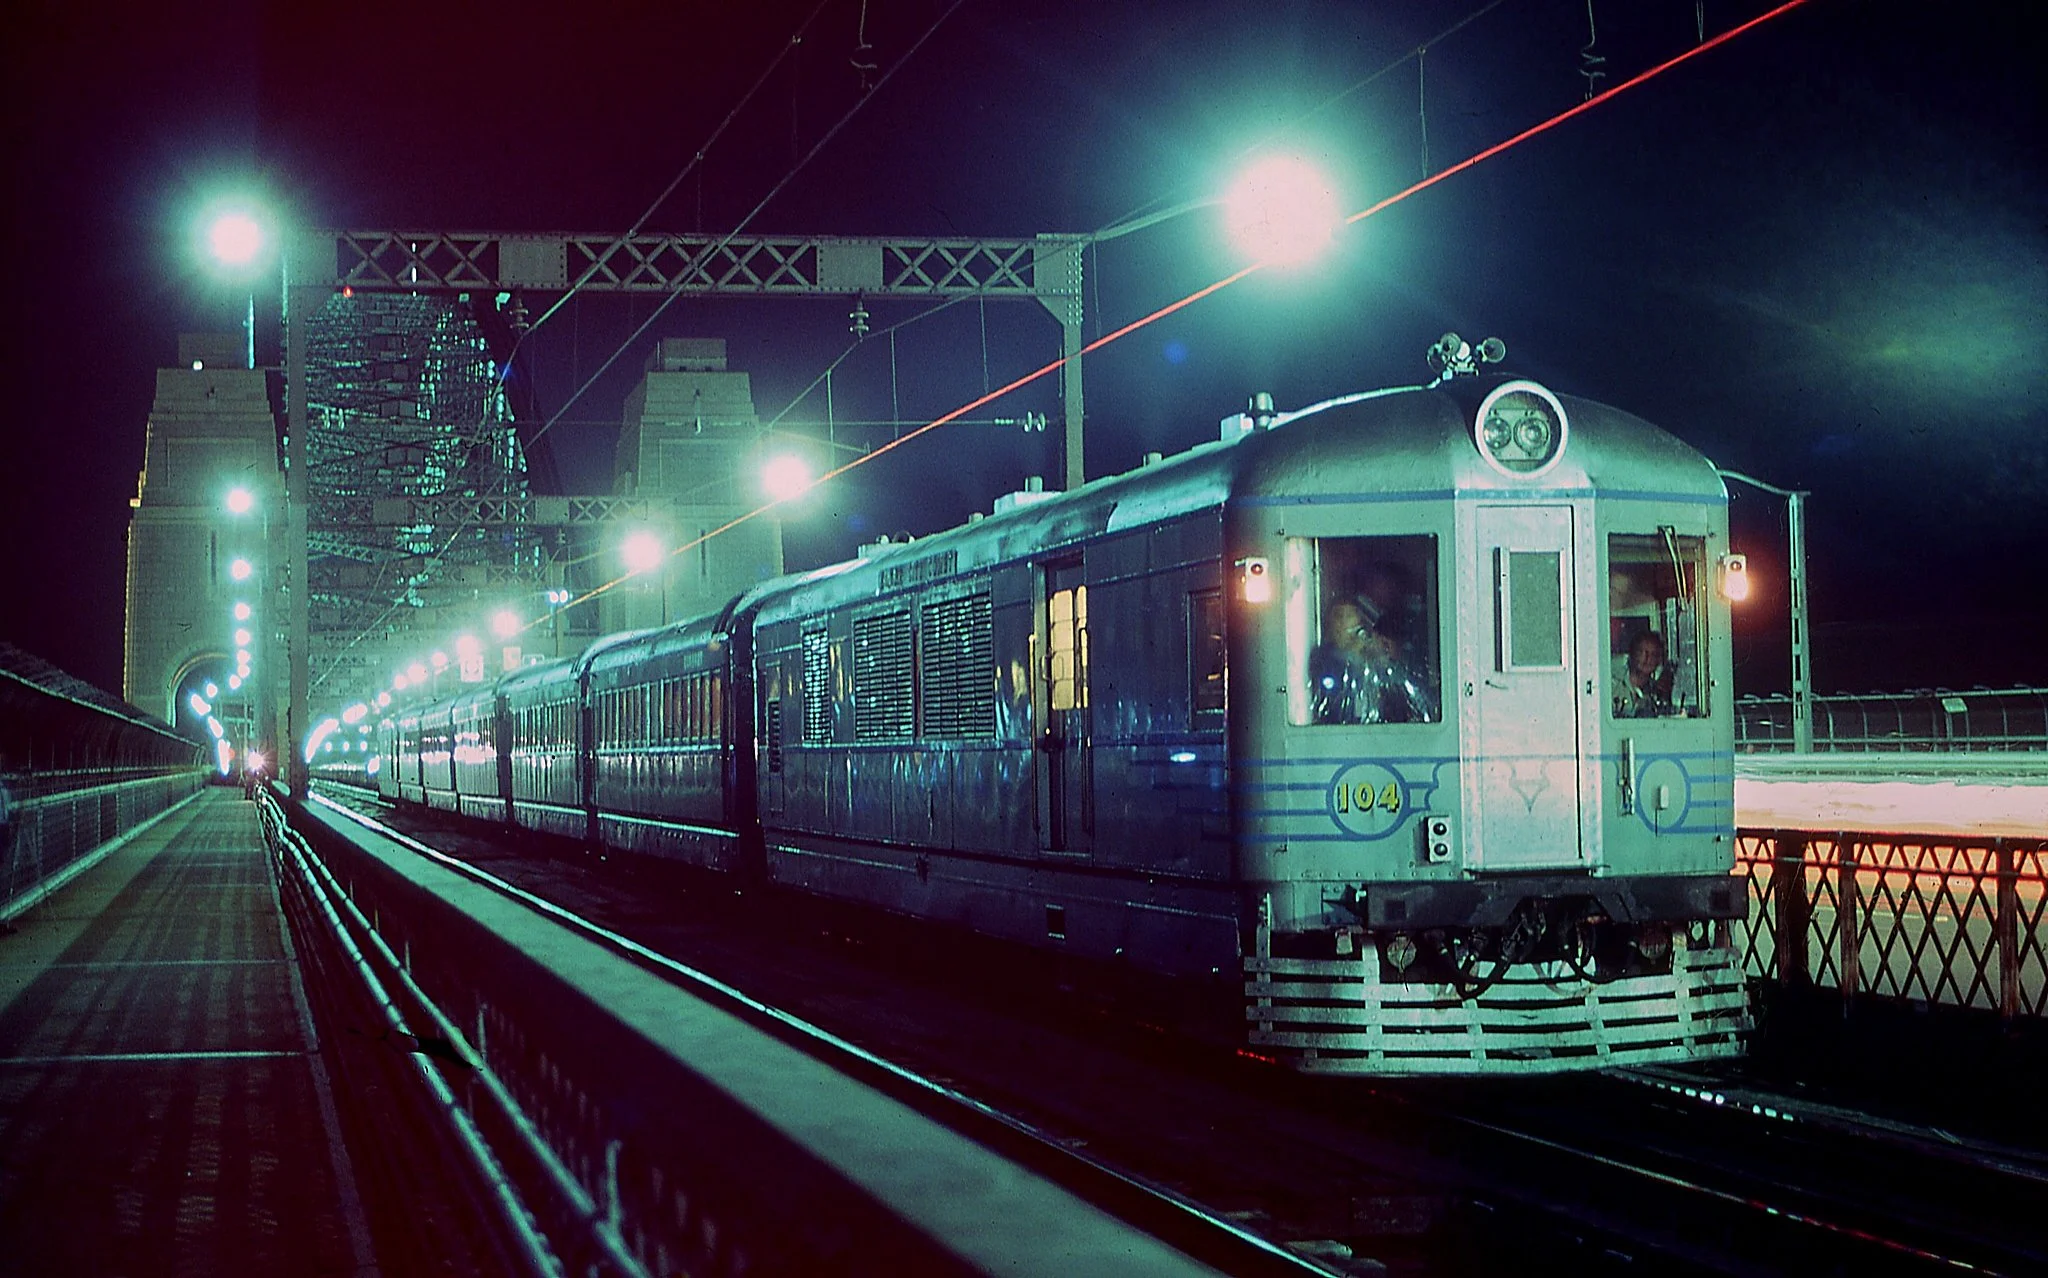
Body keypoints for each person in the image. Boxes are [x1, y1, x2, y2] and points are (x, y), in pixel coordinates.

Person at [1310, 598, 1439, 725]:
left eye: (1349, 616)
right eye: (1338, 616)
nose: (1342, 623)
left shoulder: (1376, 663)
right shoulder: (1322, 658)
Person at [1613, 630, 1673, 718]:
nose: (1648, 659)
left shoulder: (1656, 694)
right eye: (1642, 652)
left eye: (1654, 654)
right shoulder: (1612, 686)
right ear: (1632, 654)